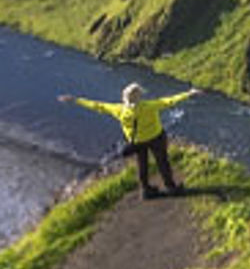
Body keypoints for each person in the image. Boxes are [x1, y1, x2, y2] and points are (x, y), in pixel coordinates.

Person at [58, 83, 202, 197]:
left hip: (137, 142)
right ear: (139, 97)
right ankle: (171, 187)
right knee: (162, 161)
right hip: (156, 138)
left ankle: (146, 190)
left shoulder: (119, 110)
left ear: (124, 98)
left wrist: (75, 100)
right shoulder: (150, 106)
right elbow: (170, 101)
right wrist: (189, 93)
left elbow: (97, 106)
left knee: (142, 164)